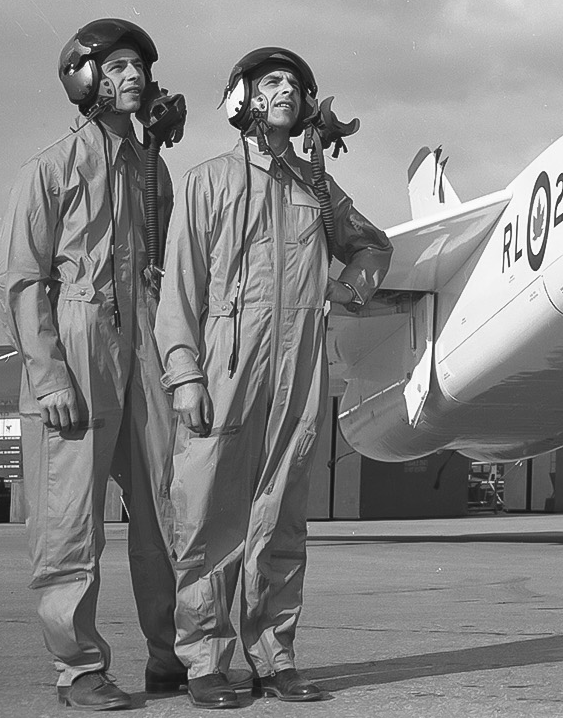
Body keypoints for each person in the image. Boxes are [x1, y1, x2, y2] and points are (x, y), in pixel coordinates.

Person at [156, 47, 390, 707]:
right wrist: (185, 376)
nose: (285, 89)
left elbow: (371, 243)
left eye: (295, 83)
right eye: (272, 82)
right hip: (227, 368)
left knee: (281, 521)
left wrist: (350, 288)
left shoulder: (314, 186)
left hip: (300, 371)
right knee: (209, 518)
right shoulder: (208, 182)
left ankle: (273, 657)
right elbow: (180, 290)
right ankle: (205, 664)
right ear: (245, 100)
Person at [0, 19, 187, 710]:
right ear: (86, 78)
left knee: (171, 512)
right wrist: (49, 378)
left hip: (147, 357)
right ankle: (79, 671)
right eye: (119, 66)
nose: (133, 76)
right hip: (77, 356)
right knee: (70, 526)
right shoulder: (49, 170)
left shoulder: (153, 170)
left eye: (140, 66)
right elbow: (21, 281)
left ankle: (175, 658)